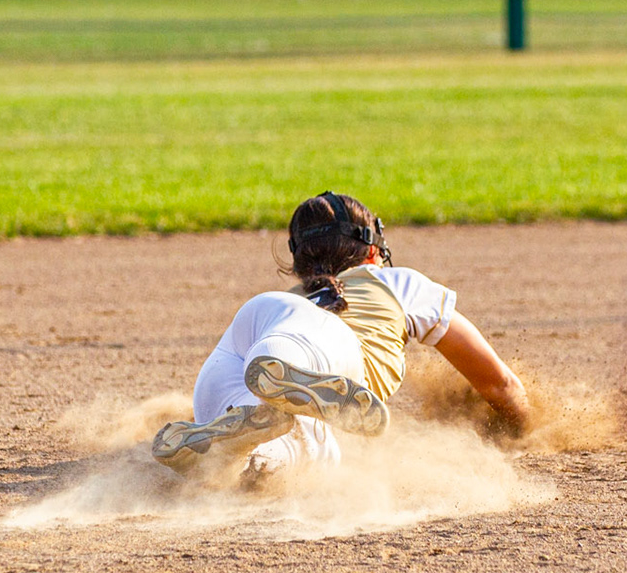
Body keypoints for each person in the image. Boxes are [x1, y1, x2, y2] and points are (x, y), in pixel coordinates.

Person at [152, 191, 532, 479]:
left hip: (250, 336)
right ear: (371, 250)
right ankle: (279, 382)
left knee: (287, 447)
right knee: (312, 421)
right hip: (319, 349)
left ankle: (241, 450)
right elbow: (501, 385)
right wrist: (529, 427)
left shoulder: (296, 295)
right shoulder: (397, 282)